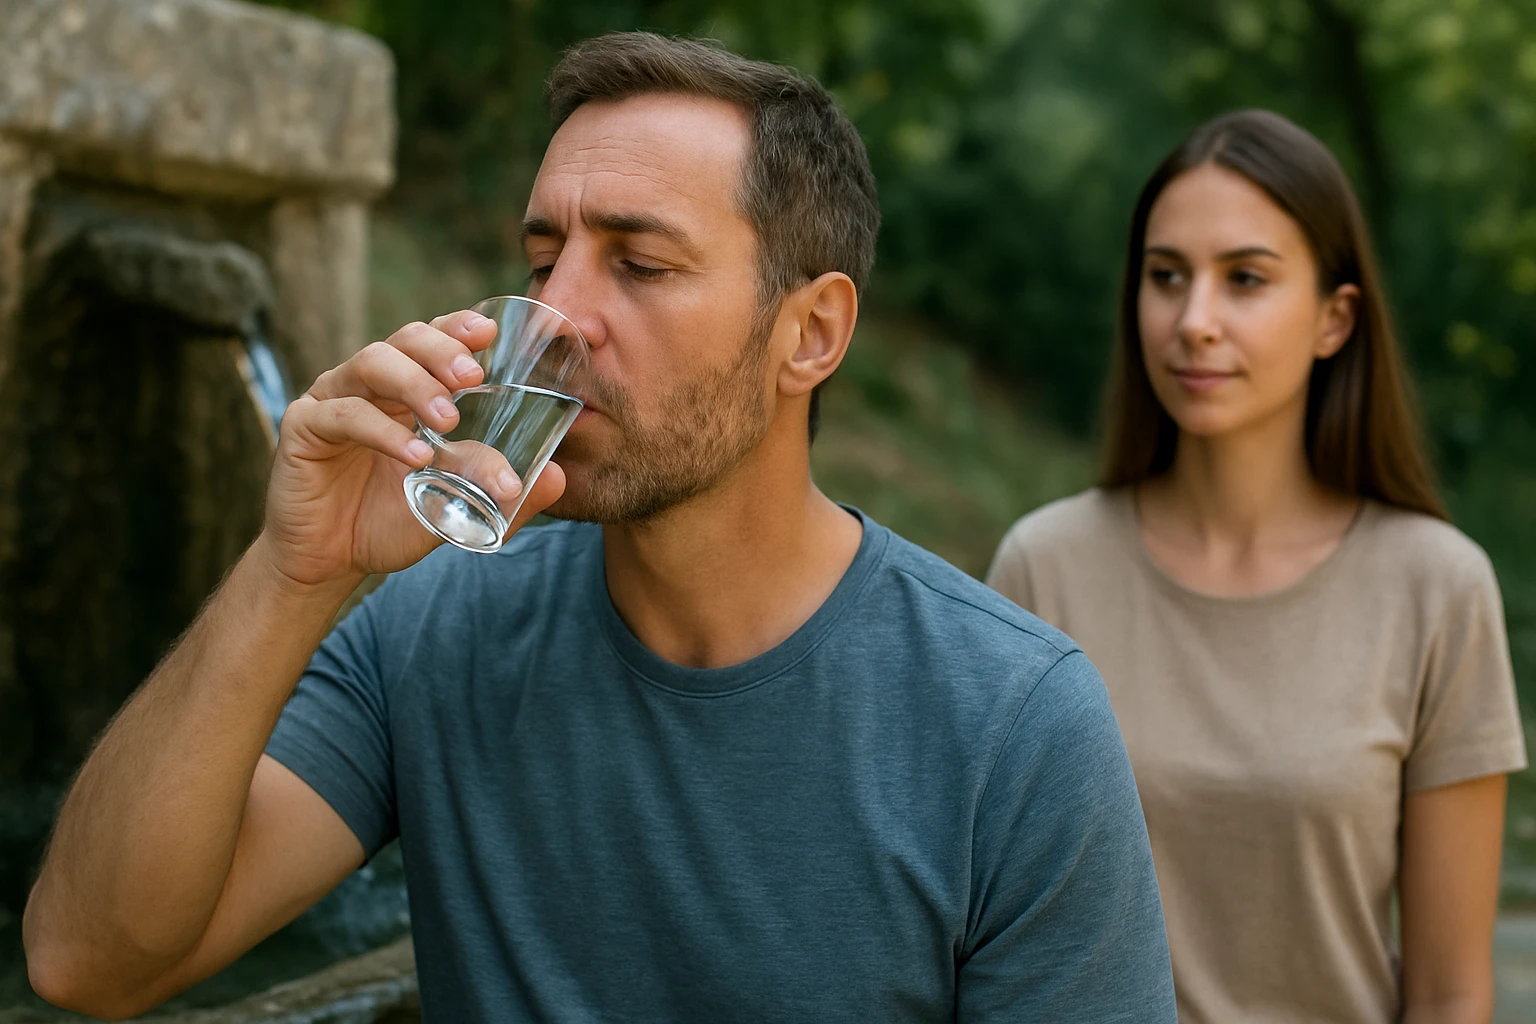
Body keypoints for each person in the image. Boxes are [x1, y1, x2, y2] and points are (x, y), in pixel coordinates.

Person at [24, 33, 1174, 1022]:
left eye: (640, 262)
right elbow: (91, 960)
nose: (559, 311)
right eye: (542, 259)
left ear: (812, 334)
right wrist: (295, 571)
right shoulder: (436, 630)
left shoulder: (1014, 725)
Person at [987, 108, 1527, 1024]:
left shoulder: (1438, 588)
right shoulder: (1044, 569)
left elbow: (1449, 993)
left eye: (1245, 279)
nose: (1194, 321)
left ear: (1334, 319)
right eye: (1166, 276)